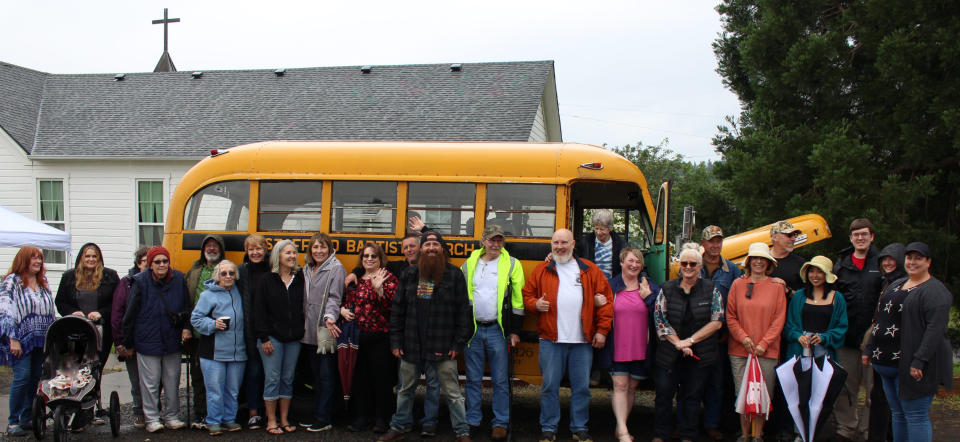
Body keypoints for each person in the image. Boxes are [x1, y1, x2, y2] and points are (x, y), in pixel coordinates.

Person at [379, 231, 473, 442]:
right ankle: (398, 426)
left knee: (453, 393)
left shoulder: (454, 274)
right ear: (421, 249)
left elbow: (463, 313)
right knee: (405, 390)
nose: (431, 248)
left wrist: (459, 343)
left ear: (442, 249)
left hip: (443, 345)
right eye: (427, 244)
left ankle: (462, 431)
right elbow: (398, 311)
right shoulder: (410, 275)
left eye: (435, 244)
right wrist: (396, 342)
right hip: (411, 345)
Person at [522, 228, 613, 442]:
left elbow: (607, 301)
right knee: (549, 386)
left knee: (581, 388)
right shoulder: (542, 269)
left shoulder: (589, 269)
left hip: (582, 342)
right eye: (556, 243)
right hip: (551, 340)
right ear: (551, 245)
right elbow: (527, 295)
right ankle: (548, 428)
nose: (560, 247)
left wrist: (601, 331)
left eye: (564, 243)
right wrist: (535, 304)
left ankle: (579, 428)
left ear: (573, 244)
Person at [863, 242, 952, 442]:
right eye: (909, 258)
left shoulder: (935, 291)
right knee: (898, 414)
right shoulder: (896, 284)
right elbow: (881, 319)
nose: (912, 262)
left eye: (918, 258)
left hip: (912, 367)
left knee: (916, 415)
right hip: (885, 364)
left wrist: (920, 360)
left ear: (928, 262)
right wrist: (869, 348)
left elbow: (935, 330)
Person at [651, 243, 724, 442]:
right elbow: (660, 319)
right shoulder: (667, 288)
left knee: (692, 397)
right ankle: (661, 434)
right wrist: (678, 343)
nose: (688, 267)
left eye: (693, 263)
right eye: (684, 263)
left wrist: (690, 341)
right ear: (679, 265)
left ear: (700, 266)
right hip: (670, 354)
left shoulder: (711, 289)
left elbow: (717, 321)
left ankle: (688, 435)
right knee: (664, 395)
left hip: (700, 354)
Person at [677, 225, 742, 441]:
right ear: (703, 243)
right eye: (711, 241)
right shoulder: (692, 264)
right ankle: (685, 424)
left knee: (716, 382)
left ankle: (712, 424)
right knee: (687, 382)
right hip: (691, 334)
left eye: (718, 241)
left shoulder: (732, 270)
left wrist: (728, 331)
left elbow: (735, 304)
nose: (715, 245)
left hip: (718, 335)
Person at [461, 225, 525, 441]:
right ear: (483, 241)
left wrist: (515, 331)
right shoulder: (470, 263)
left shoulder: (512, 264)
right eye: (492, 240)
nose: (496, 244)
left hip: (499, 331)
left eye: (499, 241)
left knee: (500, 380)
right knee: (472, 380)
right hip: (474, 330)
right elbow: (462, 298)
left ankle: (500, 423)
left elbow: (518, 301)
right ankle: (472, 421)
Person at [121, 246, 193, 433]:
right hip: (147, 338)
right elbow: (130, 313)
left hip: (172, 337)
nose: (162, 265)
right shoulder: (140, 281)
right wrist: (127, 343)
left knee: (172, 380)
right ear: (150, 264)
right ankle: (151, 418)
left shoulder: (178, 278)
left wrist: (186, 327)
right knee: (150, 382)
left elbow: (187, 306)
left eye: (165, 261)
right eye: (157, 262)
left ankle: (172, 416)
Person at [726, 242, 788, 442]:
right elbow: (730, 316)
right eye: (755, 258)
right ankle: (744, 435)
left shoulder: (777, 286)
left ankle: (758, 435)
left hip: (766, 351)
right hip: (740, 349)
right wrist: (743, 338)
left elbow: (779, 319)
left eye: (763, 259)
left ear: (768, 263)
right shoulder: (737, 284)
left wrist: (764, 343)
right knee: (742, 393)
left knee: (762, 393)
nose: (759, 262)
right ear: (749, 261)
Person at [55, 242, 120, 424]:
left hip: (100, 331)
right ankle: (69, 408)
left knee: (93, 369)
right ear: (81, 259)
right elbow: (60, 301)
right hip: (75, 330)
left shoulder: (110, 276)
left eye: (94, 256)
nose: (90, 259)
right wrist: (72, 312)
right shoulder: (69, 277)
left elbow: (116, 303)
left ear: (99, 259)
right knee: (72, 369)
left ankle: (88, 410)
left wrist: (102, 313)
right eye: (87, 256)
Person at [833, 218, 884, 442]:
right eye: (856, 235)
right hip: (846, 337)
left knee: (874, 390)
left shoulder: (882, 263)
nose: (860, 238)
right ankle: (846, 428)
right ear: (851, 238)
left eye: (864, 234)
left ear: (872, 237)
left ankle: (868, 429)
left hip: (876, 338)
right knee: (845, 388)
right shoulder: (841, 264)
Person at [602, 247, 659, 442]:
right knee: (620, 385)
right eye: (630, 261)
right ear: (621, 263)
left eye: (637, 262)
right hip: (617, 345)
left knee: (632, 387)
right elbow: (601, 311)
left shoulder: (650, 286)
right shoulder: (611, 286)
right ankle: (624, 431)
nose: (634, 265)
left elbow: (660, 313)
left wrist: (648, 297)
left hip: (641, 345)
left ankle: (620, 425)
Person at [343, 243, 399, 434]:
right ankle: (361, 417)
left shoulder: (388, 278)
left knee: (381, 380)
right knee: (360, 379)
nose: (369, 259)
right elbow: (349, 301)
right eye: (366, 256)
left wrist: (380, 291)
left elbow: (393, 308)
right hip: (358, 336)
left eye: (373, 256)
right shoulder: (356, 279)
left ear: (380, 258)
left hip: (380, 336)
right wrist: (343, 310)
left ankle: (382, 419)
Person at [0, 246, 56, 437]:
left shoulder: (43, 282)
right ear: (24, 260)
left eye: (40, 259)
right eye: (34, 258)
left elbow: (49, 309)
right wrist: (13, 339)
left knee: (34, 378)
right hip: (21, 340)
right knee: (22, 378)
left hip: (40, 339)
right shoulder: (12, 282)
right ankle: (13, 421)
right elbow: (5, 311)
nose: (38, 262)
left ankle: (26, 418)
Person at [253, 239, 305, 435]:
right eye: (287, 253)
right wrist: (263, 337)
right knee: (272, 379)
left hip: (294, 339)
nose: (292, 256)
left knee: (288, 378)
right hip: (271, 338)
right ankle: (271, 420)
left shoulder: (300, 278)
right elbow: (259, 311)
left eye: (294, 253)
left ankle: (284, 419)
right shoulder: (267, 280)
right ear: (278, 256)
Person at [190, 260, 246, 436]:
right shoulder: (208, 295)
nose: (228, 276)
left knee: (233, 390)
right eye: (224, 273)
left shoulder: (239, 291)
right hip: (213, 351)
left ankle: (229, 419)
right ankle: (214, 421)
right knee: (215, 390)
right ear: (217, 276)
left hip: (237, 351)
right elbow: (196, 318)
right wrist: (213, 323)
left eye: (231, 273)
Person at [299, 232, 346, 432]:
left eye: (323, 247)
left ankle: (324, 418)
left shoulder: (336, 268)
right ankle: (318, 413)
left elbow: (335, 297)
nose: (319, 251)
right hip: (307, 331)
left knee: (326, 376)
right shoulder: (306, 269)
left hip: (325, 330)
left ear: (330, 248)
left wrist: (330, 317)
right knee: (316, 377)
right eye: (315, 247)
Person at [183, 234, 225, 430]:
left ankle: (217, 415)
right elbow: (186, 300)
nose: (211, 248)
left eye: (215, 246)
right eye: (208, 245)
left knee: (219, 378)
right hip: (199, 332)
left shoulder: (225, 270)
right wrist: (186, 327)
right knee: (199, 376)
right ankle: (201, 414)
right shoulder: (195, 270)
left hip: (221, 333)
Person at [111, 245, 150, 429]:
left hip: (150, 341)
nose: (149, 266)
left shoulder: (158, 282)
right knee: (136, 380)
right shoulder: (127, 283)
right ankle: (138, 412)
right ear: (138, 263)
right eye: (145, 262)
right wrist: (120, 341)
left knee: (153, 381)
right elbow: (118, 314)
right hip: (131, 340)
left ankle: (152, 411)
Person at [783, 256, 848, 361]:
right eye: (811, 271)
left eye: (819, 272)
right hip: (799, 351)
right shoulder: (799, 296)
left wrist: (824, 338)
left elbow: (841, 327)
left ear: (826, 275)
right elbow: (789, 324)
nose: (815, 275)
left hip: (825, 353)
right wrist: (798, 336)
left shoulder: (838, 298)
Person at [236, 234, 269, 430]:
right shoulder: (241, 272)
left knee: (271, 374)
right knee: (254, 371)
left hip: (269, 329)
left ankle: (270, 411)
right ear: (247, 252)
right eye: (251, 249)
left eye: (259, 249)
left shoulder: (272, 270)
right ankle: (254, 412)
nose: (255, 253)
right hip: (249, 329)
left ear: (265, 250)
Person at [577, 209, 626, 280]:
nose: (598, 232)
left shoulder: (621, 243)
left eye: (602, 229)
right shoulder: (585, 242)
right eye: (596, 228)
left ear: (610, 228)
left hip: (613, 286)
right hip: (591, 284)